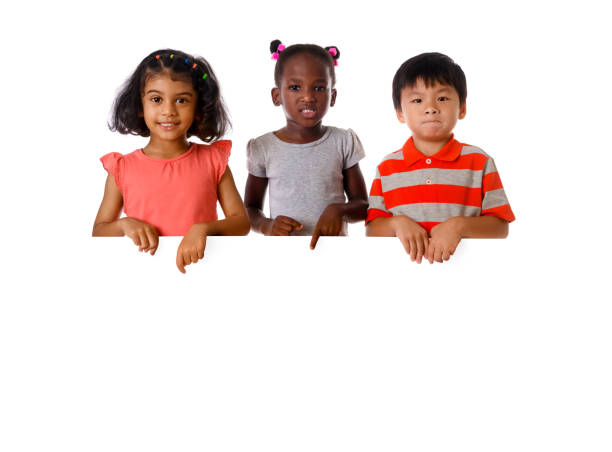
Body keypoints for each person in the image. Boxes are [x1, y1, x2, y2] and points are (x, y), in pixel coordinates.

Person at [92, 49, 250, 273]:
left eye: (181, 100)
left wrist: (203, 229)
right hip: (140, 273)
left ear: (198, 108)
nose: (168, 111)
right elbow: (99, 230)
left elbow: (241, 222)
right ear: (140, 106)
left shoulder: (214, 161)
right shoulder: (122, 168)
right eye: (156, 99)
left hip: (205, 270)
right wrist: (123, 224)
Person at [366, 52, 515, 264]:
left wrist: (459, 226)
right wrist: (397, 224)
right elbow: (372, 228)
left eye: (442, 98)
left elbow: (500, 227)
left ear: (461, 108)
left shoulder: (479, 161)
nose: (431, 108)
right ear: (400, 112)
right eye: (417, 100)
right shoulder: (387, 167)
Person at [244, 40, 368, 249]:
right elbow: (249, 208)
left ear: (333, 96)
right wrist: (267, 226)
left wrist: (339, 211)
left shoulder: (343, 142)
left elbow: (363, 206)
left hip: (335, 254)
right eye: (295, 87)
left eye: (319, 88)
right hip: (283, 255)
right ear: (277, 96)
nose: (308, 97)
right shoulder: (263, 148)